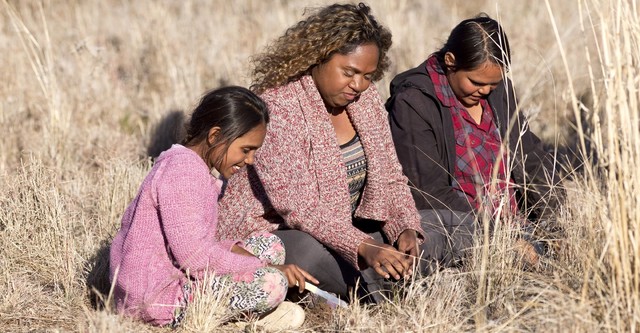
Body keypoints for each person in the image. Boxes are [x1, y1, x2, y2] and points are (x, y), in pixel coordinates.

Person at [217, 3, 431, 302]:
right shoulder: (279, 107)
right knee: (308, 254)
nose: (358, 85)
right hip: (279, 234)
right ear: (318, 58)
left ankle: (398, 278)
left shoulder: (365, 100)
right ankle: (385, 292)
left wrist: (405, 228)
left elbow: (392, 177)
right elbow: (301, 208)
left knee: (435, 228)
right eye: (349, 72)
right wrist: (364, 246)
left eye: (368, 76)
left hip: (350, 228)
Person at [109, 86, 317, 330]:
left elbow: (197, 245)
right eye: (246, 150)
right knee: (271, 283)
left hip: (176, 275)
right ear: (215, 136)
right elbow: (195, 258)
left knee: (269, 245)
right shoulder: (183, 172)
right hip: (154, 297)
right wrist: (264, 269)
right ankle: (237, 321)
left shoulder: (196, 168)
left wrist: (255, 261)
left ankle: (250, 313)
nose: (250, 160)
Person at [386, 14, 564, 260]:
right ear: (450, 61)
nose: (485, 91)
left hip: (517, 225)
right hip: (459, 232)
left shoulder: (498, 90)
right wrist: (498, 237)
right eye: (476, 82)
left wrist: (555, 223)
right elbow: (427, 192)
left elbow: (529, 154)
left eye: (493, 84)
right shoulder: (414, 102)